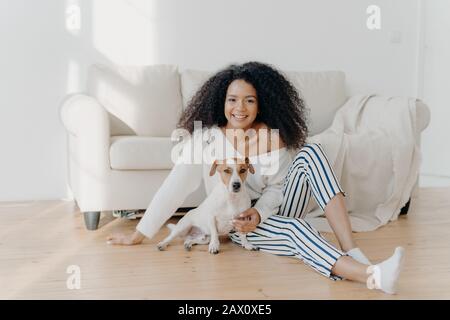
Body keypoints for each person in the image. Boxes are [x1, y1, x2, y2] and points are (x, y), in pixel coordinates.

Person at [107, 62, 404, 294]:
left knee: (312, 151)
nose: (240, 108)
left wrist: (260, 213)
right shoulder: (207, 139)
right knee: (295, 230)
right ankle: (372, 276)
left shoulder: (273, 136)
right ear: (220, 101)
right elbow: (175, 187)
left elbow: (278, 189)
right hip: (239, 223)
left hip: (271, 209)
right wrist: (140, 233)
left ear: (261, 104)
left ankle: (351, 249)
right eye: (232, 99)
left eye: (249, 101)